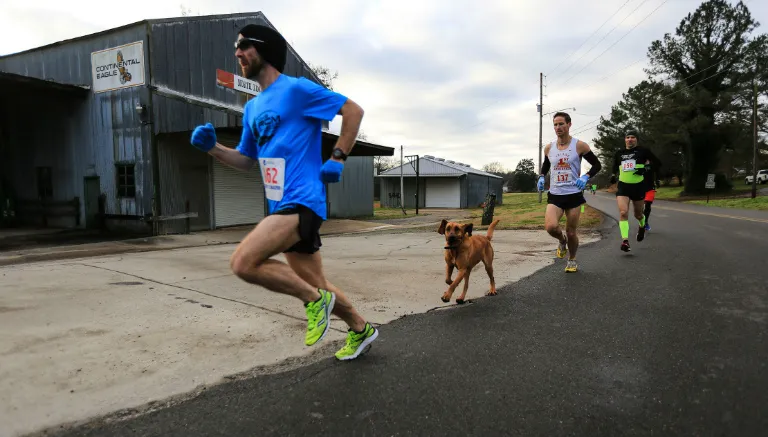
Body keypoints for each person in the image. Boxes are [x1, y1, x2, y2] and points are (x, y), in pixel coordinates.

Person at [188, 24, 378, 361]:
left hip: (302, 200)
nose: (238, 53)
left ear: (264, 49)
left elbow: (353, 111)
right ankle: (361, 329)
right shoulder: (252, 108)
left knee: (243, 262)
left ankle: (314, 303)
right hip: (281, 204)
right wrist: (213, 148)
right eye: (237, 47)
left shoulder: (297, 90)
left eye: (245, 45)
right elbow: (246, 160)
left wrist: (338, 157)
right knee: (319, 284)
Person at [537, 112, 602, 272]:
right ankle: (561, 240)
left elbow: (597, 165)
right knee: (551, 227)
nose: (558, 127)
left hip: (574, 194)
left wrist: (586, 176)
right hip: (555, 194)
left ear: (569, 125)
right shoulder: (549, 148)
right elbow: (546, 164)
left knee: (572, 232)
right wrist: (541, 177)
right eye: (555, 125)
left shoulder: (579, 146)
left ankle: (572, 260)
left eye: (561, 124)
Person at [609, 128, 661, 252]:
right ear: (625, 139)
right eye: (627, 137)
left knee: (638, 214)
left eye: (632, 137)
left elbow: (657, 163)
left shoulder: (643, 151)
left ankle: (642, 226)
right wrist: (612, 175)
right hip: (623, 186)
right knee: (623, 212)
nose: (630, 139)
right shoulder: (619, 153)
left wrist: (645, 168)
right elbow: (615, 166)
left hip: (638, 186)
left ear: (636, 139)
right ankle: (625, 241)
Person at [642, 161, 661, 232]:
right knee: (640, 208)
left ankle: (645, 222)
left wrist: (657, 180)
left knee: (647, 205)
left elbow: (657, 171)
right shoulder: (637, 163)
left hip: (650, 188)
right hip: (639, 188)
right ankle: (641, 220)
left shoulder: (652, 164)